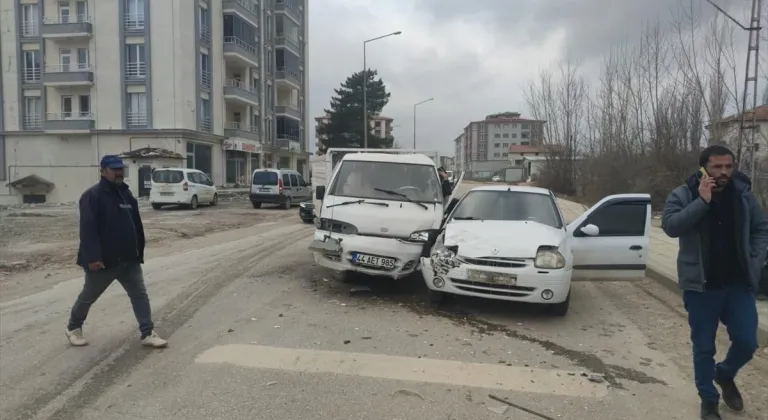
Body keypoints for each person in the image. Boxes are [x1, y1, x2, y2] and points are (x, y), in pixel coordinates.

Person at [662, 145, 768, 420]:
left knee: (747, 341)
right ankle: (708, 400)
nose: (723, 172)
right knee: (704, 347)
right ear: (704, 168)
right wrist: (702, 202)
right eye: (717, 167)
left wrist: (755, 259)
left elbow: (761, 228)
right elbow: (671, 226)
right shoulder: (684, 194)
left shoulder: (743, 194)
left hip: (737, 285)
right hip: (701, 286)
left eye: (728, 166)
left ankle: (724, 373)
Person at [66, 155, 167, 348]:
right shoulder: (92, 196)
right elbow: (88, 229)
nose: (119, 172)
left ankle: (147, 332)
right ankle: (73, 327)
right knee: (89, 296)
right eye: (114, 169)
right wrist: (94, 257)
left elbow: (136, 226)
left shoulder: (126, 194)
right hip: (104, 261)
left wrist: (139, 252)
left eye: (120, 169)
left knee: (139, 294)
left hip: (129, 259)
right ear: (103, 171)